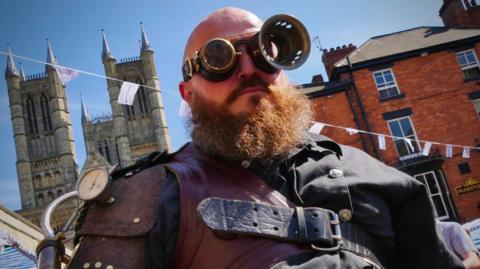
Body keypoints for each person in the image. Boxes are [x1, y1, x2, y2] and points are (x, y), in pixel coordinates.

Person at [68, 7, 464, 269]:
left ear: (284, 74)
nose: (247, 69)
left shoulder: (374, 174)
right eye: (219, 59)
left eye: (264, 52)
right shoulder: (147, 195)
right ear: (187, 94)